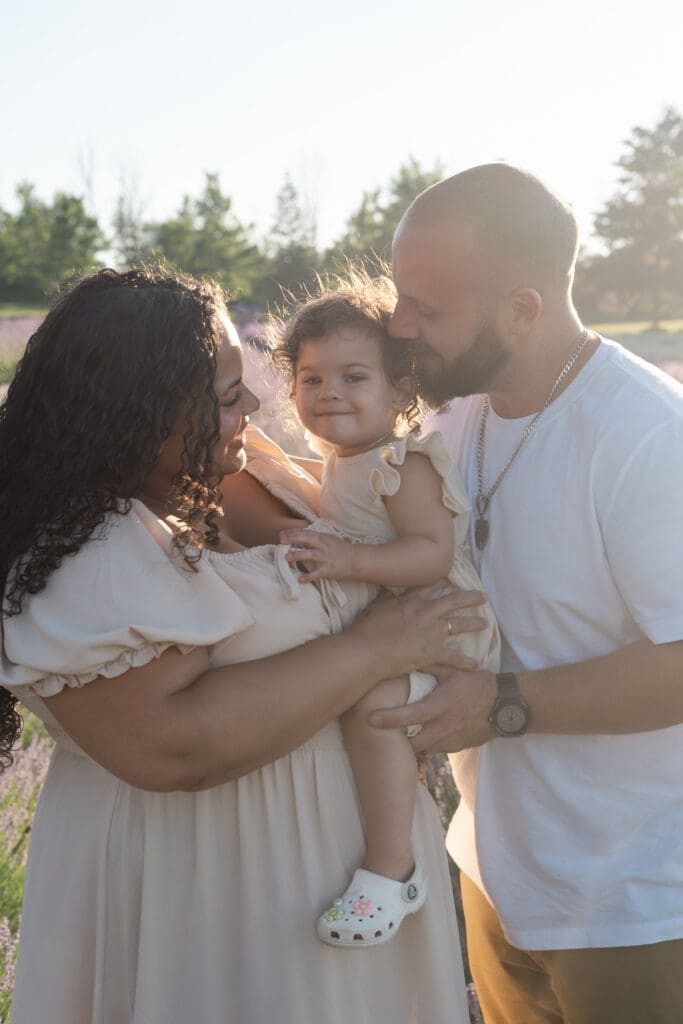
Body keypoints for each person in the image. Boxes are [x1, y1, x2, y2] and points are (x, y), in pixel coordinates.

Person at [0, 266, 485, 1024]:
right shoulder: (86, 550)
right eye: (229, 396)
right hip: (212, 888)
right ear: (140, 412)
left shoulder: (228, 465)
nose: (255, 407)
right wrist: (379, 647)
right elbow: (168, 745)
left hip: (349, 872)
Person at [372, 163, 683, 1024]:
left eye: (425, 310)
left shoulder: (647, 437)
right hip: (495, 873)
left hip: (636, 905)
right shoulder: (454, 414)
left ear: (521, 309)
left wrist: (500, 704)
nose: (398, 327)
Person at [268, 270, 499, 949]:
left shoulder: (401, 464)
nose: (328, 392)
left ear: (400, 392)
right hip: (408, 627)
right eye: (311, 379)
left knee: (375, 711)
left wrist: (347, 561)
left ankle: (390, 869)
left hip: (447, 628)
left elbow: (428, 554)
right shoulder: (347, 457)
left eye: (352, 377)